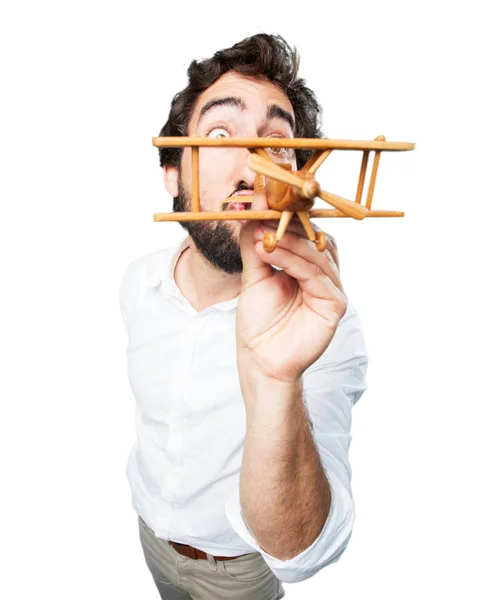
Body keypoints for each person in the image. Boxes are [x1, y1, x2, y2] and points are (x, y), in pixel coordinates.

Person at [119, 33, 368, 600]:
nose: (254, 164)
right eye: (219, 134)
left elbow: (301, 551)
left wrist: (277, 378)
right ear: (172, 174)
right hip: (150, 536)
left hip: (241, 573)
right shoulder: (138, 282)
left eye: (277, 143)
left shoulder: (328, 328)